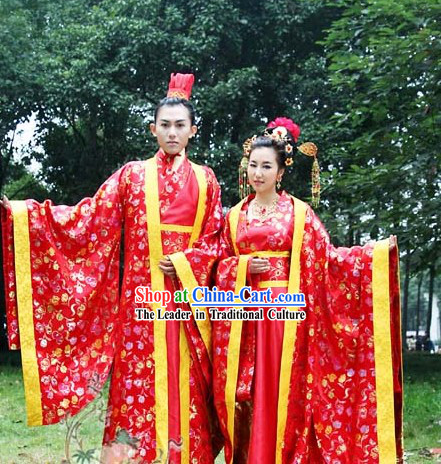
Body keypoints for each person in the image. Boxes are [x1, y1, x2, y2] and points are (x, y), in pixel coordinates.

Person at [2, 73, 223, 463]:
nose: (172, 133)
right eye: (165, 125)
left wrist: (188, 263)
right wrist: (24, 215)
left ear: (193, 130)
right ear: (153, 129)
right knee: (137, 390)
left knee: (186, 391)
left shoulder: (206, 180)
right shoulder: (132, 176)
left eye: (180, 126)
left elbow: (216, 240)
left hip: (190, 310)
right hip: (140, 309)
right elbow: (88, 219)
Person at [212, 117, 403, 463]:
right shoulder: (234, 216)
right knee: (250, 394)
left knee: (282, 392)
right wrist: (240, 267)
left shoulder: (299, 214)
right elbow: (217, 263)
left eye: (266, 166)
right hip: (244, 317)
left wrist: (373, 255)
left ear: (281, 171)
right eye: (253, 165)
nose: (258, 173)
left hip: (286, 319)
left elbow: (328, 260)